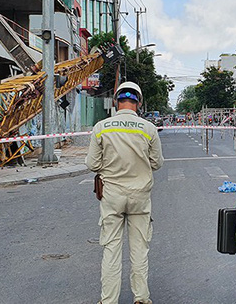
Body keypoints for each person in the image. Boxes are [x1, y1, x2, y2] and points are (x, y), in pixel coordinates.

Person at [85, 81, 164, 304]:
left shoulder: (102, 127)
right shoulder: (148, 129)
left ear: (115, 101)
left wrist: (108, 169)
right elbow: (157, 163)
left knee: (111, 249)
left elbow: (92, 164)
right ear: (138, 102)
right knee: (139, 250)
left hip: (112, 196)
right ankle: (141, 298)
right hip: (140, 196)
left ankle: (108, 301)